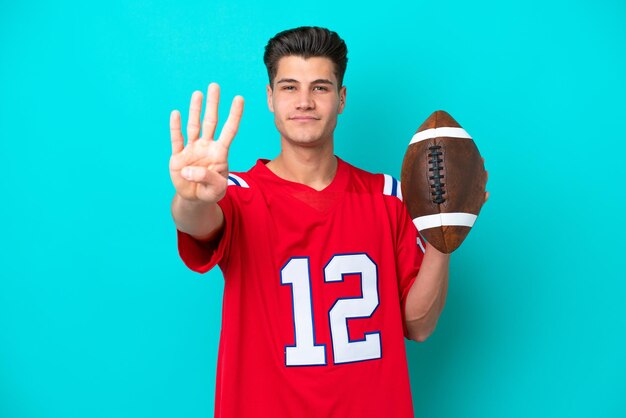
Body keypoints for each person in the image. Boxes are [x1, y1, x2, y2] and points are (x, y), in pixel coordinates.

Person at [170, 26, 458, 418]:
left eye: (320, 87)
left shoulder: (388, 197)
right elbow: (198, 221)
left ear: (341, 99)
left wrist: (443, 238)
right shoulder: (235, 193)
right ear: (270, 98)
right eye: (289, 87)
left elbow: (418, 325)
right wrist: (190, 197)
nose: (304, 101)